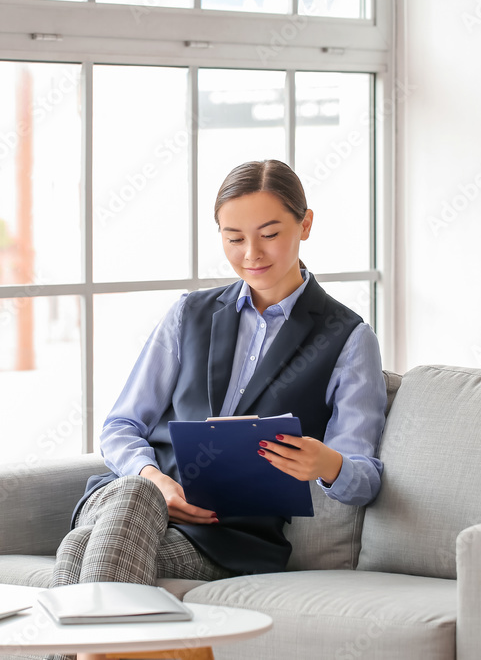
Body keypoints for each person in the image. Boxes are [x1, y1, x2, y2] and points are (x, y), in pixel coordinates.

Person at [51, 159, 386, 600]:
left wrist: (328, 464)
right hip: (127, 495)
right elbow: (120, 426)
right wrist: (154, 479)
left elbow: (364, 478)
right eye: (234, 238)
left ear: (305, 224)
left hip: (228, 538)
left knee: (79, 549)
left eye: (269, 234)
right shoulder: (189, 314)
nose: (251, 253)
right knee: (137, 494)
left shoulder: (347, 336)